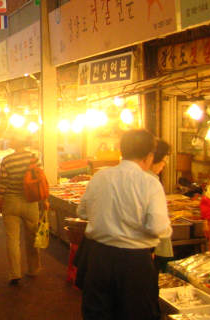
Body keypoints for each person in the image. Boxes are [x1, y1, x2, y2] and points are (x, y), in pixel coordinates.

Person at [76, 130, 171, 320]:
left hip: (99, 257)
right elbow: (157, 227)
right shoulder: (150, 184)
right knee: (136, 314)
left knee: (97, 314)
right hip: (135, 262)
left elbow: (82, 212)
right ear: (149, 156)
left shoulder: (100, 177)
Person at [0, 136, 41, 286]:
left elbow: (3, 184)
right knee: (32, 237)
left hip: (11, 202)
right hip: (30, 202)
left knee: (12, 240)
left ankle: (15, 273)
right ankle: (33, 269)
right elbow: (40, 179)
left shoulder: (7, 160)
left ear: (14, 143)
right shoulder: (34, 158)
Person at [149, 140, 174, 271]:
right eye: (164, 160)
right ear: (151, 159)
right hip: (155, 247)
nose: (164, 165)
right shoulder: (150, 181)